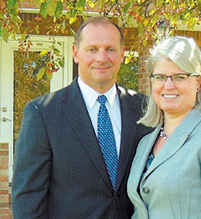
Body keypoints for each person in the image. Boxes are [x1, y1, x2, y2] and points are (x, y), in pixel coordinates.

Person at [12, 16, 150, 218]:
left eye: (110, 49)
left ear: (122, 54)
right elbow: (28, 197)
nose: (102, 58)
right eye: (92, 49)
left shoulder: (145, 109)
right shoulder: (43, 113)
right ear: (76, 53)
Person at [127, 36, 201, 218]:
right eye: (160, 77)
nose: (168, 85)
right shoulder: (145, 142)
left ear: (198, 82)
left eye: (179, 77)